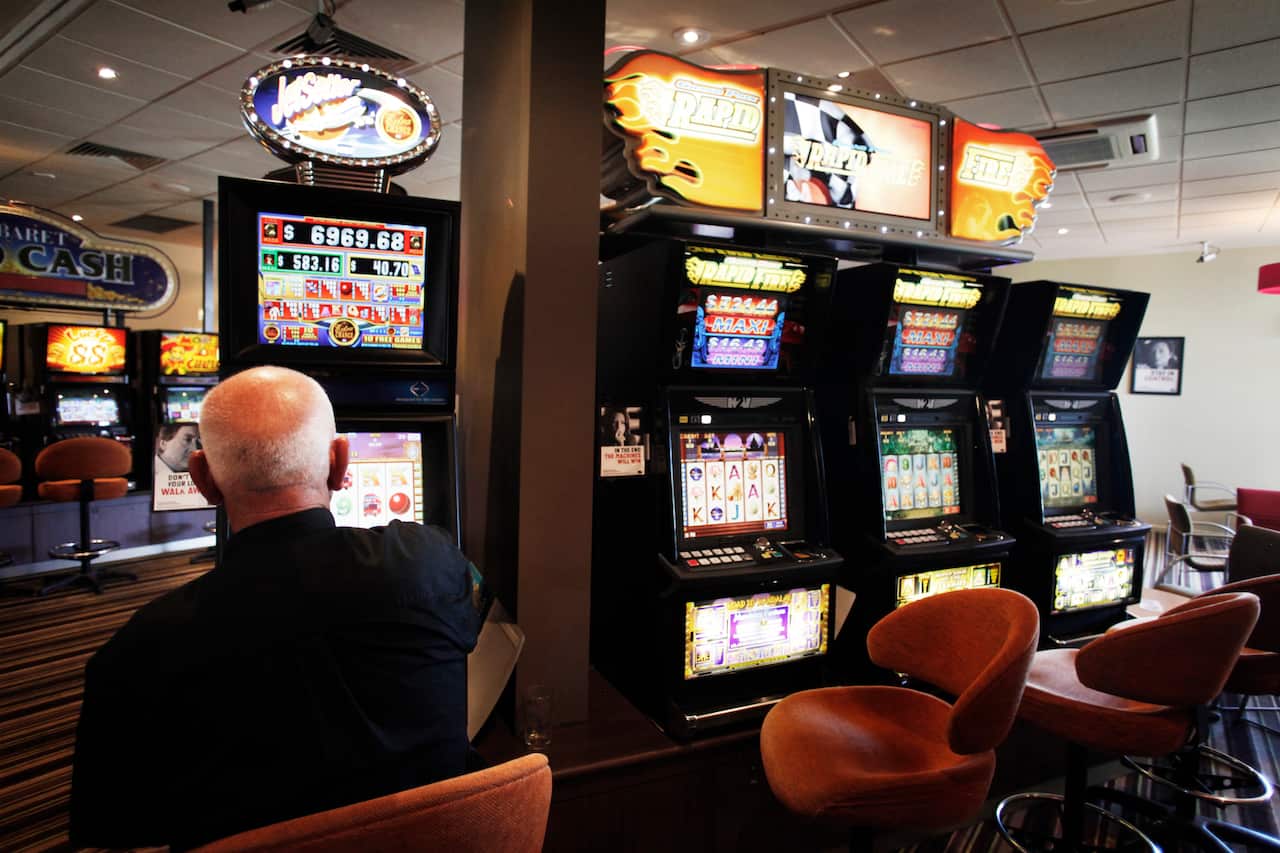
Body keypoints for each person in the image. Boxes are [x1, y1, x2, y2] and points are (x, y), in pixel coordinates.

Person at [69, 366, 481, 850]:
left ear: (201, 477)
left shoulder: (136, 652)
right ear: (340, 462)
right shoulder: (428, 559)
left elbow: (114, 829)